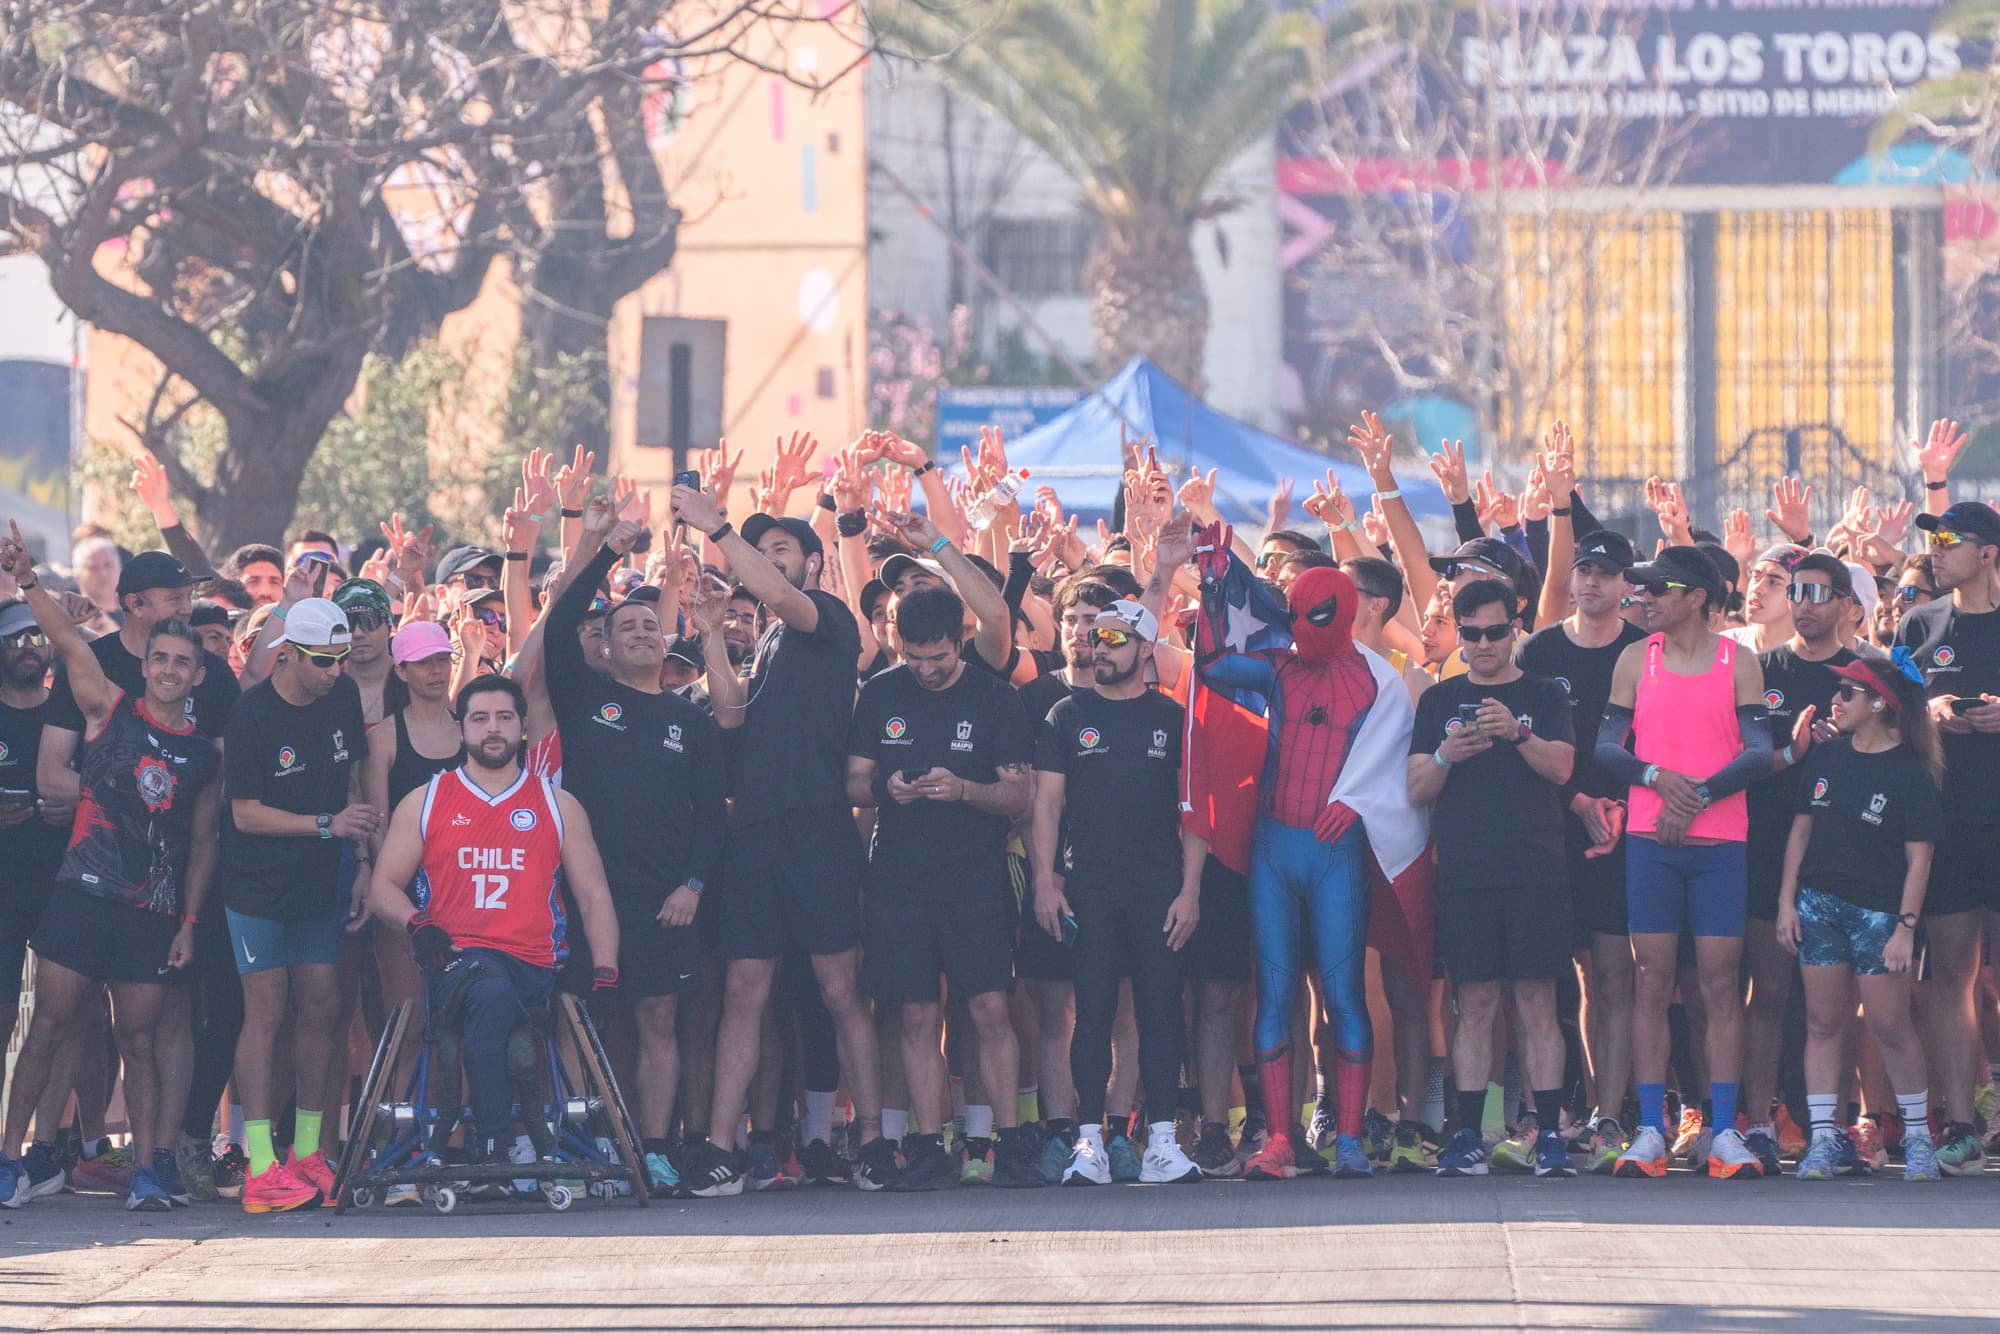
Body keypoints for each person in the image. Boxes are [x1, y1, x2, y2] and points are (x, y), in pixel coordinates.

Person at [667, 484, 896, 1195]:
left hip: (820, 827)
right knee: (744, 989)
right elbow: (730, 717)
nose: (767, 560)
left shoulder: (823, 615)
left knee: (839, 988)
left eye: (781, 550)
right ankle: (718, 1145)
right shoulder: (763, 638)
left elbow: (781, 596)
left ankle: (871, 1142)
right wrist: (710, 632)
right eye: (760, 551)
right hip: (756, 834)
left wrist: (723, 528)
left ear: (813, 564)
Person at [1192, 534, 1427, 1181]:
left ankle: (1348, 1138)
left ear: (1350, 616)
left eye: (1314, 616)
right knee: (1275, 995)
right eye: (1294, 615)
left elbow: (1392, 769)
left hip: (1333, 854)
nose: (1302, 629)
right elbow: (1212, 666)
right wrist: (1214, 586)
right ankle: (1280, 1138)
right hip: (1275, 848)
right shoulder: (1277, 666)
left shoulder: (1379, 685)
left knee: (1345, 997)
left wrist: (1354, 800)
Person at [0, 524, 221, 1211]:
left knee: (141, 1040)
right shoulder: (109, 710)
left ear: (198, 674)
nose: (168, 670)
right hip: (82, 897)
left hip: (149, 912)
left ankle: (150, 1169)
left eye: (181, 663)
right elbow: (68, 644)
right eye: (159, 658)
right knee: (49, 1027)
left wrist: (187, 920)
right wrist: (27, 582)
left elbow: (206, 844)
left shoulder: (205, 757)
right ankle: (9, 1161)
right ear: (146, 662)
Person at [365, 674, 621, 1193]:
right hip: (453, 962)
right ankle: (495, 1141)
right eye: (480, 718)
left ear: (523, 725)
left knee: (502, 991)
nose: (493, 728)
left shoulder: (556, 803)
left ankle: (502, 1143)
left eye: (505, 717)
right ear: (461, 728)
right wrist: (418, 924)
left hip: (536, 967)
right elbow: (382, 888)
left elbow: (594, 895)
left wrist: (606, 968)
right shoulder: (426, 799)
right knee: (489, 990)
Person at [544, 498, 726, 1196]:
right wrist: (607, 552)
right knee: (582, 1018)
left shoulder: (693, 719)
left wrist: (694, 886)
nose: (643, 633)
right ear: (609, 646)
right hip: (588, 896)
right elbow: (561, 624)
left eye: (653, 623)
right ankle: (582, 1143)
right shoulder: (584, 696)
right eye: (628, 626)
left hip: (666, 901)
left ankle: (653, 1148)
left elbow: (714, 815)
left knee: (658, 1020)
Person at [843, 584, 1037, 1189]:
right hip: (899, 879)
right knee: (916, 1017)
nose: (924, 670)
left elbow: (1019, 793)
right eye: (912, 657)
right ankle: (929, 1144)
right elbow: (852, 781)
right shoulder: (879, 694)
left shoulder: (995, 698)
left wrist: (966, 791)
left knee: (988, 1009)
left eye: (938, 659)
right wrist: (886, 789)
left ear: (961, 640)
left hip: (973, 878)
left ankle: (1008, 1142)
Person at [1595, 546, 1772, 1179]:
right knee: (1652, 980)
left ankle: (1724, 1131)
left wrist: (1692, 796)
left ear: (1696, 596)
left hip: (1719, 840)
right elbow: (1606, 749)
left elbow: (1759, 753)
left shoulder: (1738, 660)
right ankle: (1649, 1130)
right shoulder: (1633, 659)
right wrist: (1656, 777)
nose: (1644, 599)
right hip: (1651, 840)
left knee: (1722, 983)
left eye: (1657, 590)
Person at [1031, 599, 1204, 1185]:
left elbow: (1193, 812)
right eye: (1093, 636)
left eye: (1113, 637)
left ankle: (1160, 1141)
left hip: (1159, 887)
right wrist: (1044, 884)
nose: (1097, 646)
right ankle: (1088, 1145)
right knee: (1093, 1013)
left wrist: (1191, 892)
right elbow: (1046, 805)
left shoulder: (1172, 717)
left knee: (1159, 1013)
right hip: (1090, 887)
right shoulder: (1064, 713)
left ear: (1145, 649)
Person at [1409, 581, 1577, 1178]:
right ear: (1458, 630)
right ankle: (1469, 1134)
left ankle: (1550, 1134)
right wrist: (1450, 754)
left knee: (1538, 1001)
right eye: (1471, 632)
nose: (1482, 644)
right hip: (1466, 872)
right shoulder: (1437, 700)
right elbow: (1416, 788)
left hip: (1535, 868)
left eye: (1495, 632)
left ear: (1515, 629)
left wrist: (1519, 732)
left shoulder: (1544, 694)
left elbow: (1563, 767)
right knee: (1473, 1002)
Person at [221, 596, 380, 1213]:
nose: (335, 671)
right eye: (321, 660)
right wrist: (326, 826)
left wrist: (363, 862)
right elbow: (245, 814)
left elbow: (353, 784)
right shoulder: (251, 715)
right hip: (256, 884)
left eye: (341, 659)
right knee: (267, 1008)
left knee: (324, 1004)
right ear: (285, 655)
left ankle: (308, 1153)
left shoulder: (339, 696)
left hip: (323, 877)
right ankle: (260, 1165)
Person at [1776, 653, 1944, 1182]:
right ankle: (1825, 1138)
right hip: (1819, 906)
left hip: (1879, 915)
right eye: (1839, 691)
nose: (1837, 699)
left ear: (1880, 704)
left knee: (1891, 1026)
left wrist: (1906, 928)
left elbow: (1921, 859)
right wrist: (1787, 901)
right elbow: (1800, 832)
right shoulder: (1826, 758)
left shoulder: (1911, 770)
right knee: (1823, 1023)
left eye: (1849, 692)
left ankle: (1917, 1138)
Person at [1516, 530, 1645, 1171]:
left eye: (1606, 572)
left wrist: (1620, 808)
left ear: (1627, 585)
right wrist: (1579, 805)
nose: (1592, 581)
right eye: (1583, 569)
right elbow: (1522, 749)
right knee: (1542, 979)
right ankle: (1541, 1115)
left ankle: (1609, 1114)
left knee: (1613, 975)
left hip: (1624, 829)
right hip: (1551, 830)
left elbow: (1658, 746)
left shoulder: (1645, 651)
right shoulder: (1537, 652)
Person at [1737, 553, 1856, 1174]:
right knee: (1769, 991)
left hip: (1845, 854)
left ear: (1843, 603)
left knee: (1840, 1004)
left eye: (1818, 592)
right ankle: (1758, 1122)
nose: (1806, 602)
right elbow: (1740, 758)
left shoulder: (1868, 673)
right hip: (1766, 845)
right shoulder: (1759, 670)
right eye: (1798, 591)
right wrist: (1795, 749)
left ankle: (1837, 1126)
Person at [1893, 501, 2000, 1175]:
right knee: (1950, 979)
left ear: (1989, 552)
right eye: (1931, 538)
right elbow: (1894, 720)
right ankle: (1961, 1123)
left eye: (1951, 539)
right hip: (1949, 823)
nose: (1936, 549)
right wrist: (1928, 714)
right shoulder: (1917, 622)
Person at [0, 600, 72, 1057]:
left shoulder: (68, 715)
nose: (28, 647)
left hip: (61, 884)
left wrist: (74, 807)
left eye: (39, 637)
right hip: (5, 888)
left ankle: (69, 1131)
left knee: (72, 1016)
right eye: (16, 639)